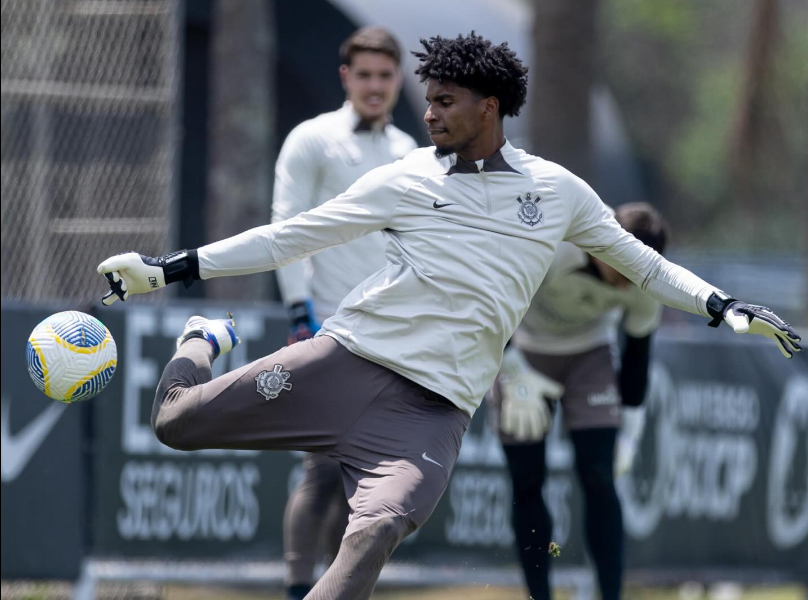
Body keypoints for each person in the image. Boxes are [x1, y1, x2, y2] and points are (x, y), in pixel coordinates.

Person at [96, 33, 801, 600]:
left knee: (374, 533)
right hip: (345, 361)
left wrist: (722, 305)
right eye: (426, 100)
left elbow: (644, 266)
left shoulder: (557, 191)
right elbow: (291, 237)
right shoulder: (406, 177)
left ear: (489, 107)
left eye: (443, 102)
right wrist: (167, 269)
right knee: (174, 423)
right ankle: (202, 340)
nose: (426, 114)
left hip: (429, 415)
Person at [271, 26, 417, 600]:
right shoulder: (311, 140)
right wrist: (298, 315)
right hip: (327, 325)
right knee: (323, 469)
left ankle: (333, 590)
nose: (375, 86)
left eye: (385, 75)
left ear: (398, 79)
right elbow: (285, 229)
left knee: (364, 484)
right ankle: (294, 586)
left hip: (391, 336)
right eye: (365, 75)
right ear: (345, 78)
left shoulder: (412, 153)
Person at [491, 202, 669, 600]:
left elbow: (637, 355)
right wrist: (512, 371)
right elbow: (491, 300)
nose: (628, 286)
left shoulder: (648, 280)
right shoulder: (554, 239)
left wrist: (631, 435)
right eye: (624, 272)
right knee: (526, 479)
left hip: (590, 354)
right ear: (606, 247)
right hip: (522, 347)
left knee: (599, 476)